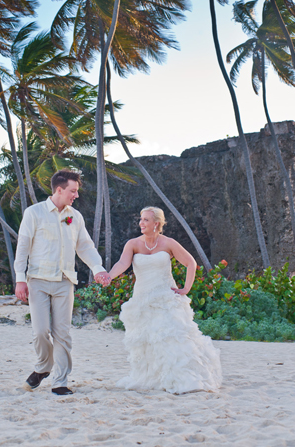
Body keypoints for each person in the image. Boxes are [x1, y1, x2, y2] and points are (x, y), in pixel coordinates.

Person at [14, 169, 111, 395]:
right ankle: (43, 367)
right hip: (37, 280)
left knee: (63, 333)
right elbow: (23, 248)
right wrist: (20, 280)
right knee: (40, 332)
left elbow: (85, 246)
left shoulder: (75, 217)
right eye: (73, 191)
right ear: (59, 189)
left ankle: (60, 382)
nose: (76, 195)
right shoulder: (34, 213)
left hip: (65, 281)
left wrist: (98, 269)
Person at [107, 206, 222, 394]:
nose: (141, 223)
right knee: (149, 340)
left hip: (166, 298)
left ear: (156, 224)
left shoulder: (168, 243)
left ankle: (182, 378)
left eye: (145, 220)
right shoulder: (133, 244)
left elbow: (190, 263)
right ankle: (155, 378)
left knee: (172, 338)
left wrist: (186, 288)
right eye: (141, 219)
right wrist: (109, 276)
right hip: (143, 300)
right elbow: (122, 263)